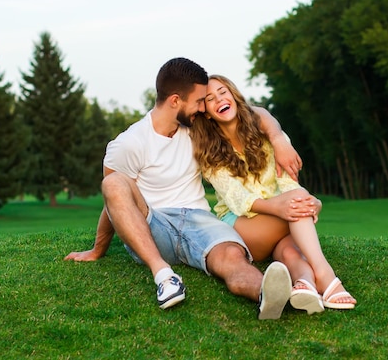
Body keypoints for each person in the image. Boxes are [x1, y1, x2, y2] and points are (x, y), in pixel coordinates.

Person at [64, 58, 303, 320]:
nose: (203, 108)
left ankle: (266, 293)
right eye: (200, 101)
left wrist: (279, 138)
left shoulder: (197, 129)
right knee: (113, 181)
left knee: (232, 257)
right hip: (154, 225)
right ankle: (165, 277)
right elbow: (114, 199)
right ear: (175, 101)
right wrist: (98, 249)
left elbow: (254, 112)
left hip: (200, 222)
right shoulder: (129, 143)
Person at [189, 74, 356, 314]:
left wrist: (310, 202)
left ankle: (306, 284)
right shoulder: (209, 149)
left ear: (233, 94)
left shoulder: (269, 135)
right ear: (206, 112)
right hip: (241, 225)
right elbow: (238, 199)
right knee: (295, 204)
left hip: (277, 222)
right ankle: (327, 276)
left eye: (223, 92)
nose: (219, 100)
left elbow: (289, 184)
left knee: (289, 250)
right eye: (210, 98)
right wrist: (286, 206)